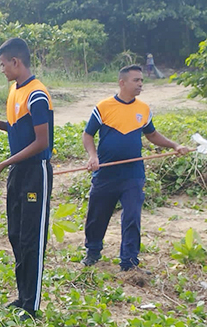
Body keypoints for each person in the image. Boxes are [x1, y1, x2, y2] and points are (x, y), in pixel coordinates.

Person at [81, 64, 189, 272]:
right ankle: (93, 251)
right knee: (97, 214)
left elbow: (152, 135)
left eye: (141, 80)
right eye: (136, 80)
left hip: (133, 174)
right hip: (105, 172)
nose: (140, 84)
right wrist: (92, 156)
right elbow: (88, 135)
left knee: (132, 217)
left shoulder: (143, 109)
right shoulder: (103, 107)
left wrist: (175, 145)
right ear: (122, 82)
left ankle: (129, 262)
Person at [0, 38, 54, 320]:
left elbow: (41, 142)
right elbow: (18, 127)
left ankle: (32, 305)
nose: (1, 70)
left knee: (31, 238)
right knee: (16, 235)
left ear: (16, 62)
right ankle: (22, 297)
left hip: (36, 171)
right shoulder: (15, 90)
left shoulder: (38, 94)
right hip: (18, 171)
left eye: (3, 64)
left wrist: (4, 163)